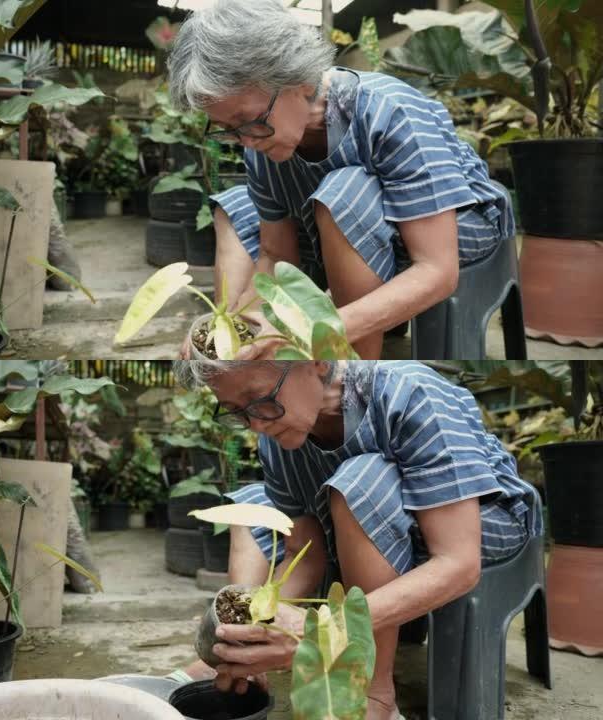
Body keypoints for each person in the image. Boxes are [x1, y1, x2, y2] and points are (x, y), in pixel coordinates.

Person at [176, 360, 541, 720]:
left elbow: (459, 565)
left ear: (316, 362)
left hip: (481, 525)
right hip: (361, 527)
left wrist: (315, 631)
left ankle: (374, 693)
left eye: (259, 400)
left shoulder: (407, 392)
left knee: (359, 483)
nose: (255, 423)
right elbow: (303, 555)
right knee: (253, 504)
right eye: (236, 412)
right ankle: (239, 650)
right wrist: (259, 634)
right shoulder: (275, 440)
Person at [167, 0, 514, 359]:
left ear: (298, 80)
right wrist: (248, 322)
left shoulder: (387, 111)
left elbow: (438, 271)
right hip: (341, 227)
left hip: (457, 230)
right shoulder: (259, 145)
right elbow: (274, 254)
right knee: (237, 204)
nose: (246, 140)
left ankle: (354, 370)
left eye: (250, 119)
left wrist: (311, 332)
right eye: (227, 130)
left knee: (344, 194)